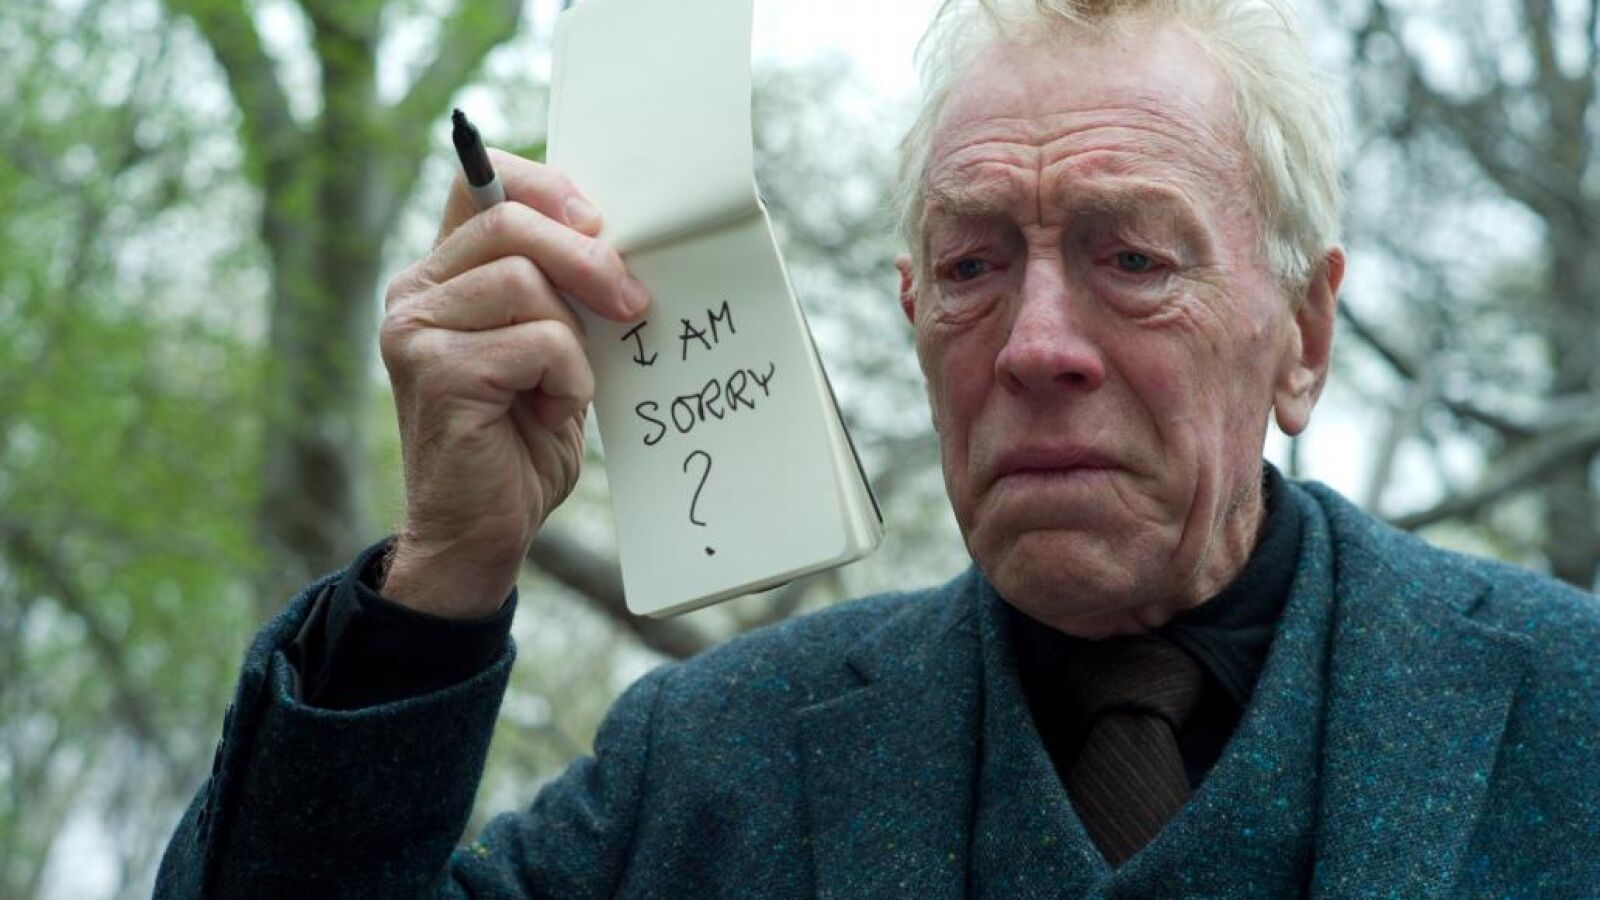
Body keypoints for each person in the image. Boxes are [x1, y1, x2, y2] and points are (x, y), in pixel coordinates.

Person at [156, 0, 1600, 896]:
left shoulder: (1567, 709)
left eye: (1133, 257)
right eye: (973, 266)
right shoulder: (711, 765)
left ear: (1303, 334)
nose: (1036, 344)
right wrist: (445, 574)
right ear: (913, 318)